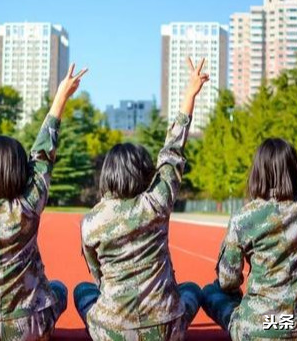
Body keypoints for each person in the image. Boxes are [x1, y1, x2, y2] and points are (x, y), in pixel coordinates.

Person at [0, 63, 88, 340]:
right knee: (57, 289)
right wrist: (60, 98)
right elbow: (43, 155)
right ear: (19, 171)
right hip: (31, 328)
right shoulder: (28, 207)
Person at [75, 57, 209, 340]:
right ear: (144, 173)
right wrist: (189, 95)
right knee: (193, 291)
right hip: (165, 329)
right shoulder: (156, 204)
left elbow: (96, 275)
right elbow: (172, 154)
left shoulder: (90, 222)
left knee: (81, 292)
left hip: (111, 331)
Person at [201, 74, 297, 340]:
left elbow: (228, 280)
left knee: (210, 293)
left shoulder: (244, 218)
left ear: (257, 173)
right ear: (293, 170)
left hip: (262, 330)